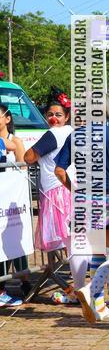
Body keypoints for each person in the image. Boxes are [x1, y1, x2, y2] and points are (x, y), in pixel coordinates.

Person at [55, 101, 109, 324]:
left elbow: (59, 170)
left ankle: (98, 304)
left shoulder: (76, 136)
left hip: (86, 200)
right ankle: (91, 288)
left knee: (98, 253)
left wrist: (73, 189)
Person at [23, 89, 74, 303]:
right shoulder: (72, 131)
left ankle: (78, 288)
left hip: (56, 193)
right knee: (74, 241)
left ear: (67, 116)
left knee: (68, 243)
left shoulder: (53, 134)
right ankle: (76, 286)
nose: (53, 118)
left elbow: (28, 157)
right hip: (70, 189)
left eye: (58, 114)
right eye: (50, 114)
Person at [0, 105, 29, 307]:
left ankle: (25, 280)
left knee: (14, 238)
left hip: (12, 200)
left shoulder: (16, 141)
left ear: (7, 118)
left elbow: (22, 167)